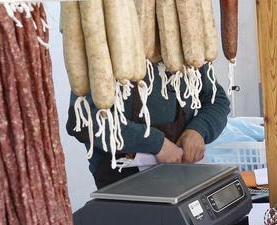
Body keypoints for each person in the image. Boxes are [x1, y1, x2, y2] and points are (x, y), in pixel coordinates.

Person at [68, 70, 230, 188]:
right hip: (122, 187)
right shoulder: (103, 46)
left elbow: (217, 100)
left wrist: (199, 130)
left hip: (182, 177)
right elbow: (83, 120)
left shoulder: (186, 42)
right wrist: (155, 143)